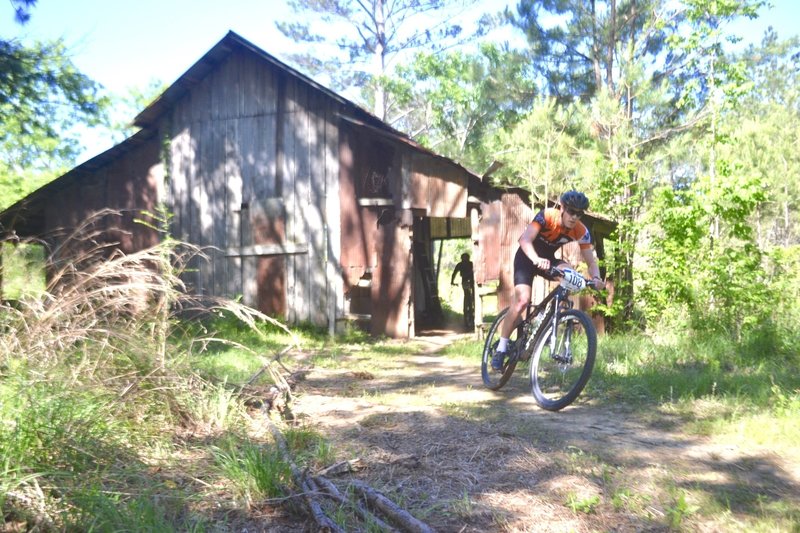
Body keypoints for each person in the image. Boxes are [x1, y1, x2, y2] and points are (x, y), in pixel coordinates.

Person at [492, 190, 606, 371]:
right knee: (522, 301)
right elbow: (525, 240)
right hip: (527, 257)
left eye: (579, 213)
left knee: (571, 275)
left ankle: (549, 323)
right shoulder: (547, 217)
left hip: (548, 260)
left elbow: (591, 261)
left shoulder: (581, 231)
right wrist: (535, 259)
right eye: (571, 211)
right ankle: (501, 347)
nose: (574, 216)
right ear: (562, 208)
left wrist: (597, 278)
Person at [451, 253, 475, 328]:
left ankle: (470, 309)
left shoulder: (461, 264)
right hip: (469, 282)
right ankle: (470, 311)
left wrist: (452, 281)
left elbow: (454, 273)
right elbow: (454, 273)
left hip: (469, 282)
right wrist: (452, 281)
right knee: (469, 296)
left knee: (468, 296)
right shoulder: (470, 264)